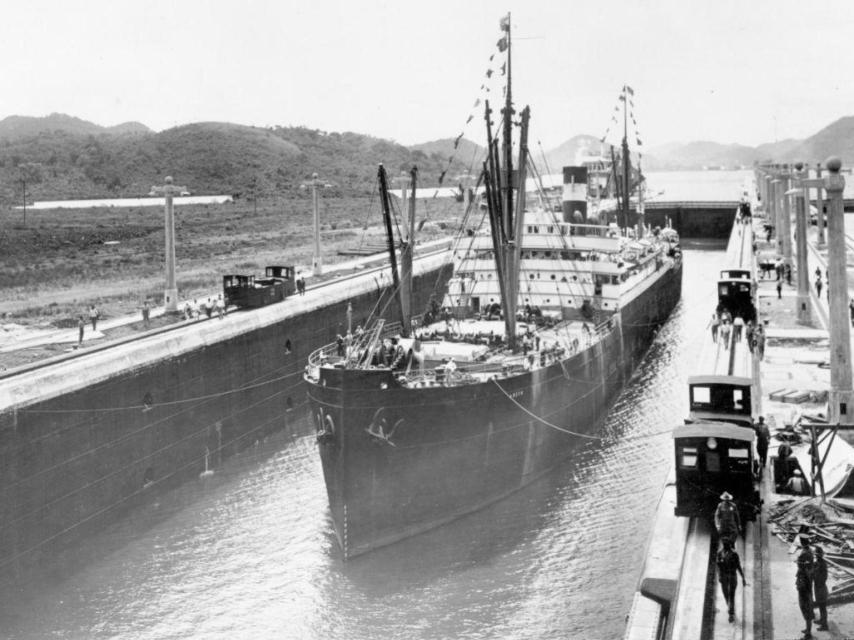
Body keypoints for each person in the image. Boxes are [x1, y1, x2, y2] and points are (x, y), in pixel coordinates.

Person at [716, 538, 746, 623]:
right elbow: (718, 566)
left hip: (732, 576)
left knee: (731, 595)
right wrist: (719, 576)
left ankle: (731, 613)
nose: (726, 546)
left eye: (727, 544)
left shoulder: (734, 554)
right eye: (725, 544)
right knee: (726, 595)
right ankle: (730, 608)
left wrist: (743, 577)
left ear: (730, 545)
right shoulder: (719, 554)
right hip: (724, 577)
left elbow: (738, 566)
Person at [795, 535, 814, 639]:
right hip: (806, 585)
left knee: (806, 608)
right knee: (807, 609)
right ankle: (808, 630)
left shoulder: (805, 553)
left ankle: (808, 634)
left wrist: (800, 563)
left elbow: (801, 565)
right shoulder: (809, 551)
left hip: (805, 588)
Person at [813, 545, 828, 631]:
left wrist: (816, 577)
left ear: (820, 555)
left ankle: (825, 625)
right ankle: (822, 620)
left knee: (822, 607)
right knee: (820, 605)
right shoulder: (817, 563)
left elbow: (824, 577)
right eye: (816, 554)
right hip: (818, 588)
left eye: (817, 555)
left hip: (821, 588)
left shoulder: (822, 564)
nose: (816, 556)